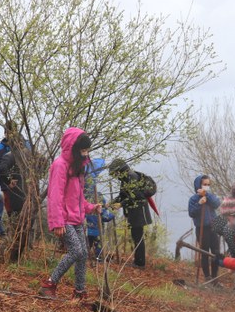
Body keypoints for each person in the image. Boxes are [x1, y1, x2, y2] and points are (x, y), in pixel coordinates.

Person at [39, 128, 101, 300]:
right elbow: (55, 196)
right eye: (82, 150)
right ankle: (49, 284)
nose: (85, 153)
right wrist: (57, 222)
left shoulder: (77, 167)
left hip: (77, 218)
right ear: (73, 148)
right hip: (64, 219)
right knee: (75, 251)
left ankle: (79, 293)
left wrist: (90, 207)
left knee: (83, 254)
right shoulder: (60, 165)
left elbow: (78, 196)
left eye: (87, 150)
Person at [109, 158, 154, 268]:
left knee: (138, 236)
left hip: (139, 210)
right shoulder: (125, 179)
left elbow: (135, 195)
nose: (115, 176)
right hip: (134, 211)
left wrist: (121, 204)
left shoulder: (131, 177)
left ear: (120, 170)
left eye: (115, 173)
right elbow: (122, 195)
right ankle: (138, 261)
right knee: (135, 236)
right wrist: (112, 203)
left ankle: (140, 263)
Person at [188, 174, 222, 283]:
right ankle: (207, 277)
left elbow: (217, 204)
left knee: (216, 252)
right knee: (205, 253)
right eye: (204, 184)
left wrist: (206, 195)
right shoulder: (193, 199)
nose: (206, 186)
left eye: (208, 184)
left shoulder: (210, 196)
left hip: (213, 227)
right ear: (199, 185)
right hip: (202, 228)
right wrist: (199, 203)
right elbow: (192, 213)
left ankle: (214, 278)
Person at [84, 158, 114, 262]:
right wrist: (112, 214)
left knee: (86, 246)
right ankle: (98, 258)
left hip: (87, 230)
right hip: (97, 230)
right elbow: (106, 217)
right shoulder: (100, 199)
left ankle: (86, 258)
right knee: (98, 247)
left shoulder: (83, 198)